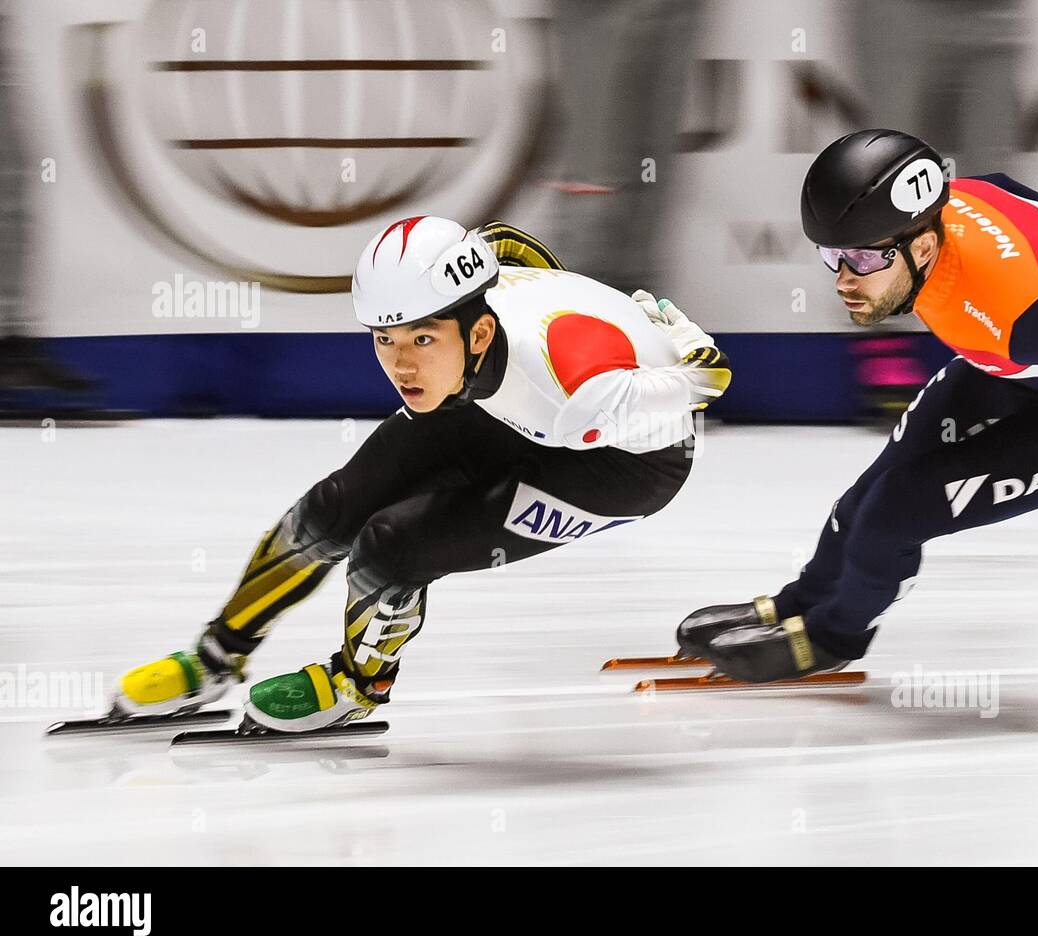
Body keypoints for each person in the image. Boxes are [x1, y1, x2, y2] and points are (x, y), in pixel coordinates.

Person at [112, 217, 730, 732]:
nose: (401, 365)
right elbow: (512, 246)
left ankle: (360, 685)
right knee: (332, 509)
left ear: (479, 329)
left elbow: (711, 378)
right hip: (495, 395)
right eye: (385, 338)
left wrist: (678, 340)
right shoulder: (474, 313)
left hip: (626, 461)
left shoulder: (577, 391)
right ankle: (217, 655)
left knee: (393, 546)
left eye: (423, 340)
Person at [677, 128, 1038, 683]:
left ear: (921, 247)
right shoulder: (960, 197)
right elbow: (1019, 193)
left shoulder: (1029, 323)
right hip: (1016, 367)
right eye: (833, 256)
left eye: (864, 260)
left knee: (897, 513)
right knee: (868, 494)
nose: (844, 279)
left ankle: (833, 638)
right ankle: (801, 601)